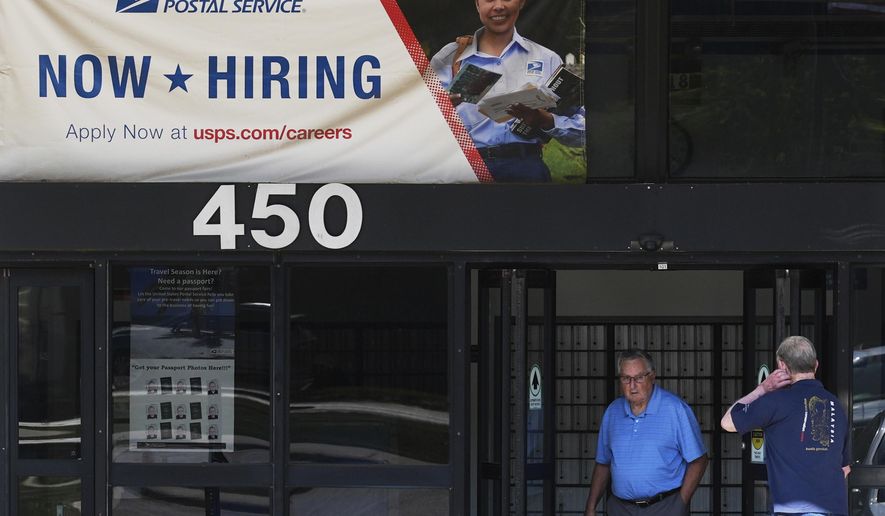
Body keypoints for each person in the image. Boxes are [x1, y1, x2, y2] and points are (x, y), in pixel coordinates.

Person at [430, 0, 585, 183]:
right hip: (465, 167)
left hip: (527, 168)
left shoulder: (547, 59)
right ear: (477, 4)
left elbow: (582, 132)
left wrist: (545, 120)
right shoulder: (448, 57)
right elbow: (417, 123)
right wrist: (439, 108)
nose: (499, 6)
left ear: (521, 3)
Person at [721, 336, 850, 515]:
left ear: (782, 366)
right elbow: (845, 468)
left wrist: (763, 388)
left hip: (793, 510)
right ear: (816, 365)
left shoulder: (774, 402)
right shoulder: (836, 405)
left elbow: (727, 422)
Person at [585, 348, 708, 516]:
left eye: (639, 378)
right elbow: (603, 463)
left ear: (652, 376)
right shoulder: (613, 412)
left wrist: (680, 503)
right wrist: (591, 507)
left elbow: (699, 460)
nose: (632, 385)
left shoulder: (675, 409)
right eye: (626, 378)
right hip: (621, 508)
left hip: (664, 506)